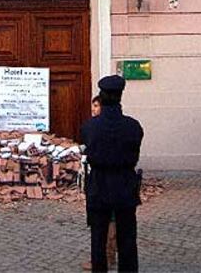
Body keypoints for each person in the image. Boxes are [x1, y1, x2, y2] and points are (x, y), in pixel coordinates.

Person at [81, 75, 144, 273]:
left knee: (98, 241)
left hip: (99, 185)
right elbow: (135, 153)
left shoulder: (90, 127)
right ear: (120, 96)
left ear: (102, 97)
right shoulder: (133, 126)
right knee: (127, 240)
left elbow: (88, 150)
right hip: (125, 184)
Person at [83, 94, 117, 272]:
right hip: (99, 180)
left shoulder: (97, 128)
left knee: (106, 220)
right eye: (93, 105)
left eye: (96, 106)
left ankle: (107, 256)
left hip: (104, 180)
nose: (93, 109)